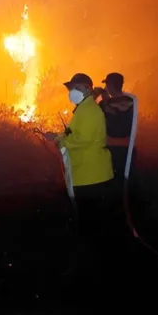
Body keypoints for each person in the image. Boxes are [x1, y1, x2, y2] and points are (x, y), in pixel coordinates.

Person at [44, 73, 115, 275]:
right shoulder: (83, 109)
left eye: (75, 88)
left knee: (90, 226)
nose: (71, 92)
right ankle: (94, 266)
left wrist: (59, 141)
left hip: (93, 177)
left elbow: (81, 140)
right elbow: (74, 134)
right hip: (87, 174)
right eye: (70, 89)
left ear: (87, 88)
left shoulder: (90, 111)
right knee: (91, 225)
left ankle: (92, 270)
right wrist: (58, 136)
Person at [94, 72, 136, 183]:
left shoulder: (106, 104)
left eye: (106, 85)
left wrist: (96, 97)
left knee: (113, 181)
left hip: (113, 149)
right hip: (128, 148)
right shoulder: (131, 101)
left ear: (110, 86)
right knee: (127, 180)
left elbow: (91, 113)